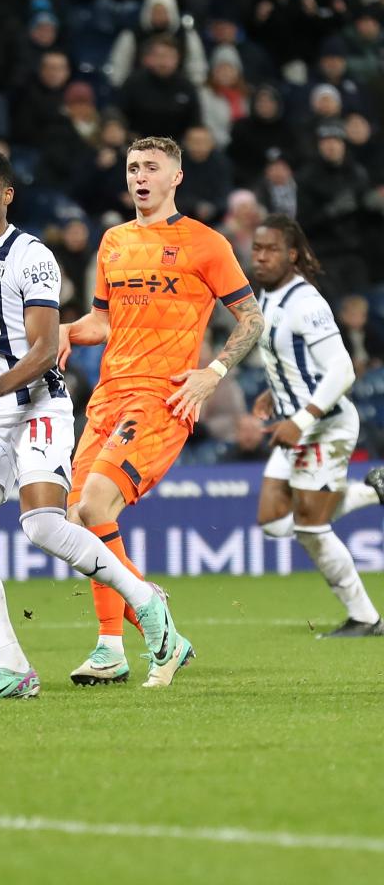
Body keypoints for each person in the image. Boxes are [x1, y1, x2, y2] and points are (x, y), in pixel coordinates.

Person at [0, 145, 183, 700]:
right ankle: (13, 670)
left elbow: (45, 346)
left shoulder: (32, 257)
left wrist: (2, 383)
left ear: (6, 193)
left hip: (37, 409)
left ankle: (147, 604)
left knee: (43, 525)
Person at [58, 136, 264, 686]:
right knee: (76, 522)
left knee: (98, 503)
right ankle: (110, 648)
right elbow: (102, 324)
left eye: (151, 167)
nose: (140, 176)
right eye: (132, 167)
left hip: (162, 396)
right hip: (106, 396)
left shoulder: (204, 243)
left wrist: (212, 373)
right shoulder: (113, 242)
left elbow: (251, 319)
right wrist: (63, 331)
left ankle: (157, 635)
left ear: (176, 177)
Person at [249, 216, 384, 637]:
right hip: (297, 423)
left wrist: (301, 416)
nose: (260, 256)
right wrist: (277, 389)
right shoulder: (266, 296)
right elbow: (289, 356)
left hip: (323, 426)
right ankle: (371, 491)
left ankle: (365, 618)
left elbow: (342, 369)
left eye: (270, 249)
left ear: (292, 254)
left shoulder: (306, 303)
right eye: (256, 248)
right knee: (273, 521)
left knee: (310, 526)